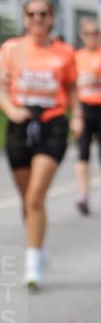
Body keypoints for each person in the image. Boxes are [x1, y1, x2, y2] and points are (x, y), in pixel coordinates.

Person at [0, 0, 81, 290]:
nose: (38, 18)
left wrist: (77, 116)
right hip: (19, 124)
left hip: (52, 124)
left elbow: (71, 90)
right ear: (25, 18)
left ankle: (32, 266)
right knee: (27, 199)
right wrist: (11, 110)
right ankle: (38, 249)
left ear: (52, 18)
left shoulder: (65, 53)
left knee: (35, 196)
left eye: (44, 14)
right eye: (32, 13)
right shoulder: (11, 49)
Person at [74, 16, 101, 215]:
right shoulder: (76, 57)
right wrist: (75, 114)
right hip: (84, 108)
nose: (92, 36)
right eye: (88, 33)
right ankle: (83, 194)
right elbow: (70, 86)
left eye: (96, 33)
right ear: (81, 35)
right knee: (83, 152)